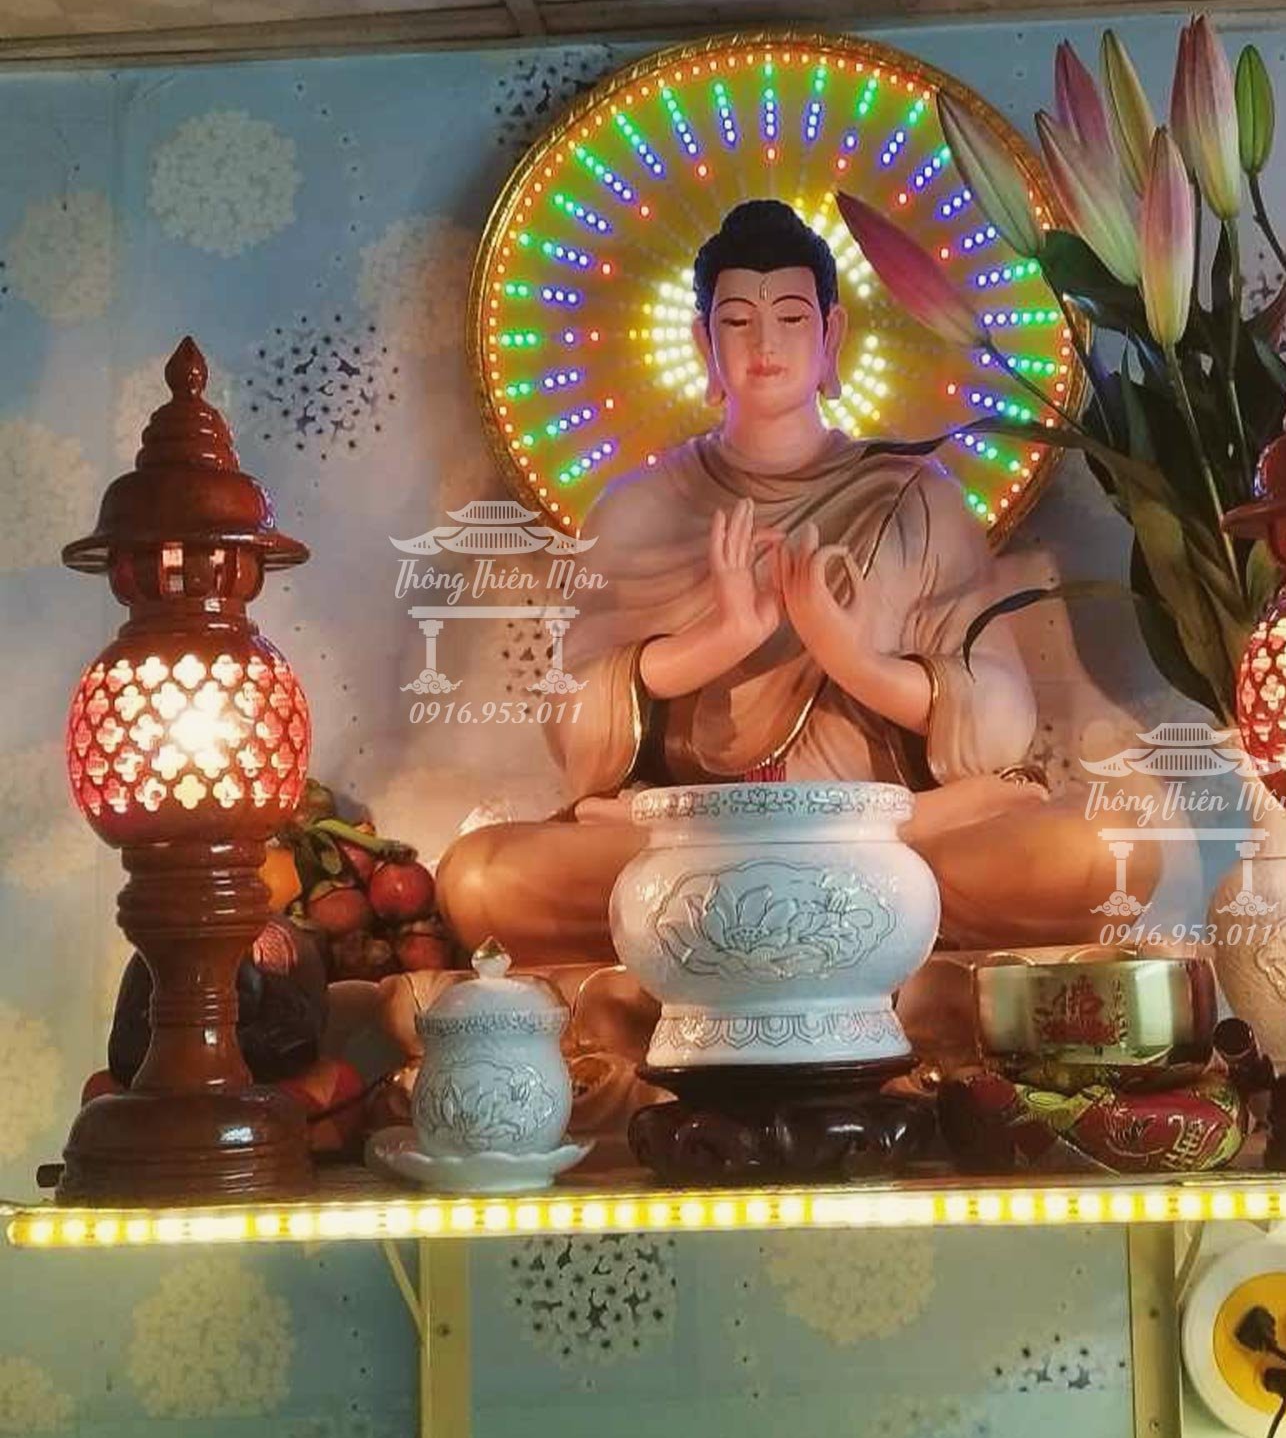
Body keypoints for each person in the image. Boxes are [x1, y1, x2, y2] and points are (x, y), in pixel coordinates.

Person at [438, 201, 1154, 963]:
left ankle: (733, 941)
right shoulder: (637, 508)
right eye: (737, 321)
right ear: (703, 342)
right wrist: (718, 640)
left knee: (1109, 853)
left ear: (831, 335)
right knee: (482, 878)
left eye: (790, 317)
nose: (765, 343)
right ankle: (866, 937)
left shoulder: (912, 495)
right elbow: (573, 720)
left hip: (885, 832)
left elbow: (1002, 717)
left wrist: (854, 660)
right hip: (702, 839)